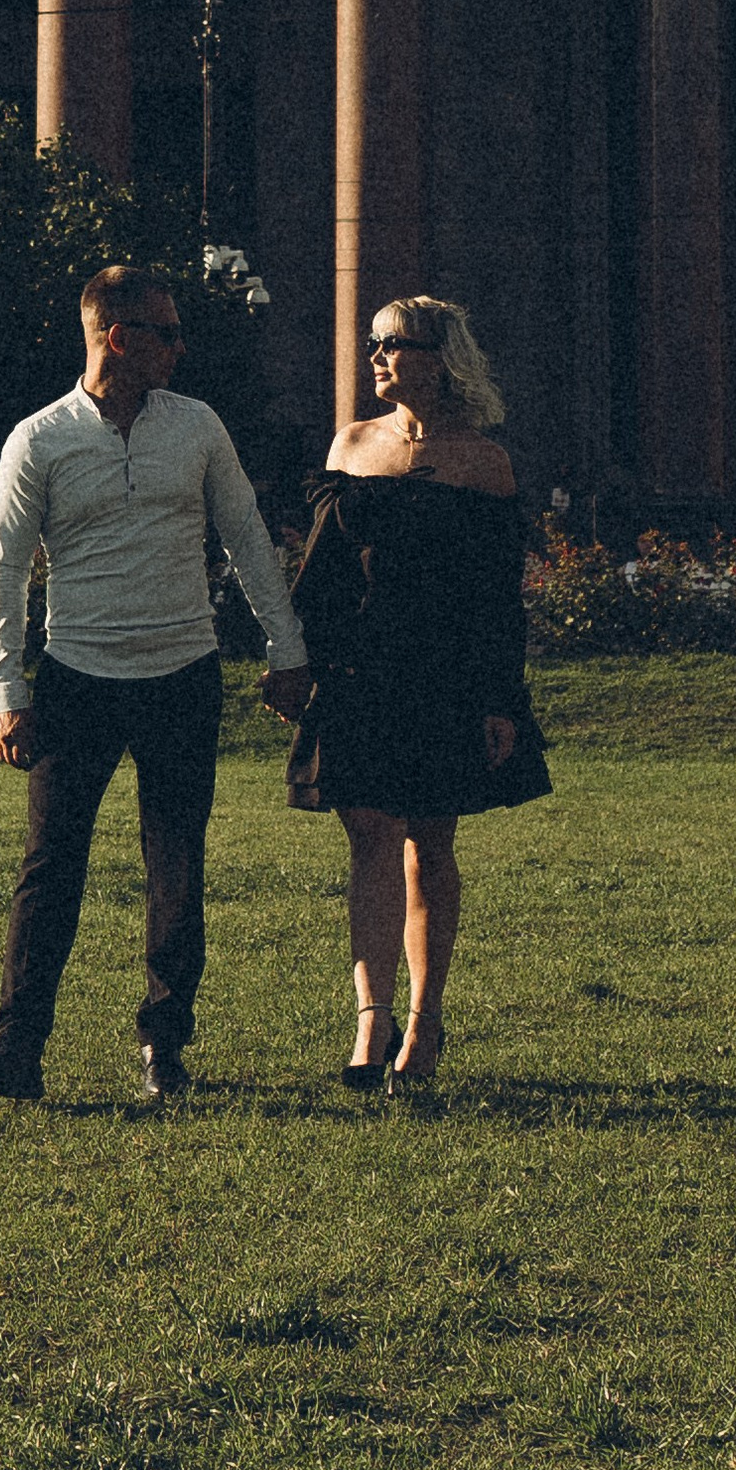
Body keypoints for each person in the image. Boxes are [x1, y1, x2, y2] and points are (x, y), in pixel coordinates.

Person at [0, 265, 310, 1104]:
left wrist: (287, 647)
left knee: (177, 865)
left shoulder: (196, 427)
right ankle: (17, 1048)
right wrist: (6, 691)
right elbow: (4, 570)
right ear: (118, 337)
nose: (182, 347)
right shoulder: (38, 440)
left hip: (182, 676)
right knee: (51, 865)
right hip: (77, 680)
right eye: (167, 331)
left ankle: (166, 1044)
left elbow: (247, 537)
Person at [286, 295, 550, 1092]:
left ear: (441, 359)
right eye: (373, 343)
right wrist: (292, 659)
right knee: (368, 834)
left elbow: (498, 597)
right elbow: (320, 573)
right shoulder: (352, 444)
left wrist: (501, 700)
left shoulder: (485, 462)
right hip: (360, 673)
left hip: (448, 676)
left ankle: (426, 1023)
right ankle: (371, 1021)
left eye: (392, 344)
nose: (376, 357)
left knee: (428, 845)